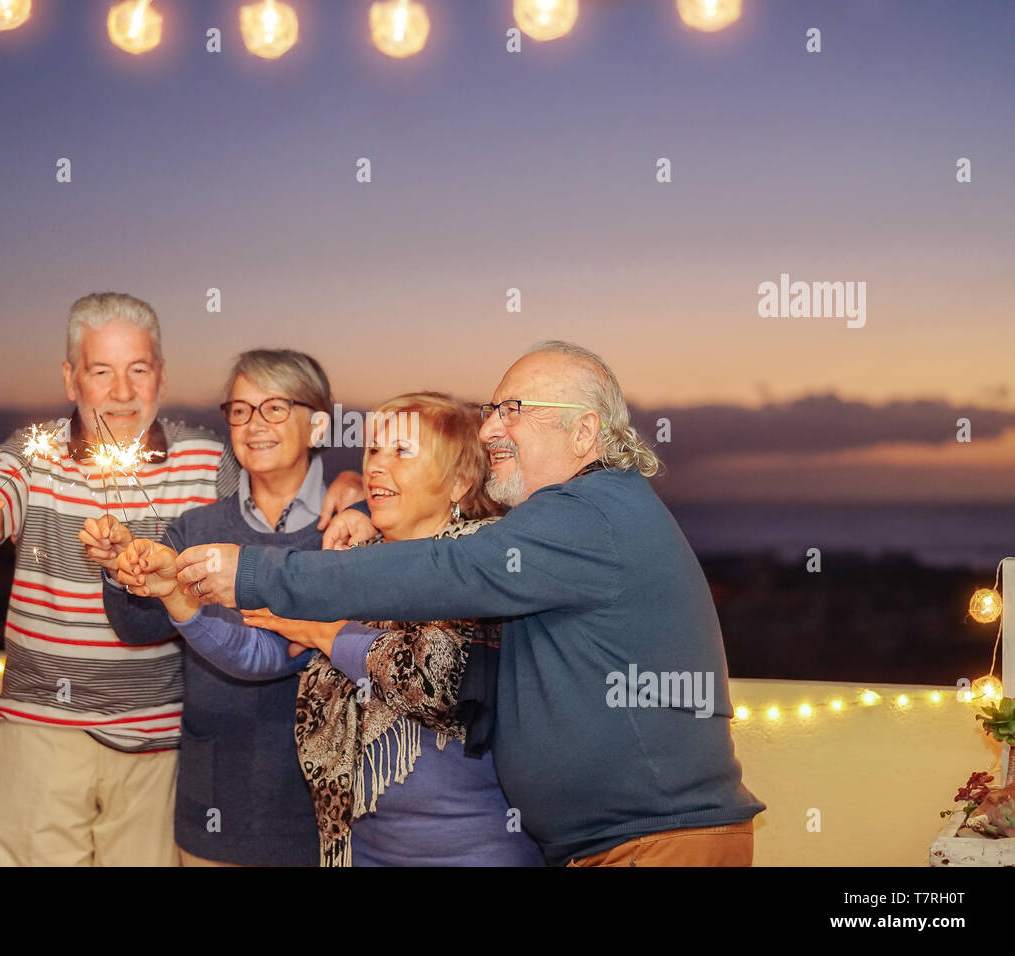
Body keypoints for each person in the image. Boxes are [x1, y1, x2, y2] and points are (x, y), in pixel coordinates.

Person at [173, 341, 766, 867]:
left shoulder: (585, 514)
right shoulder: (570, 520)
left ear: (585, 432)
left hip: (654, 843)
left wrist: (253, 571)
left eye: (514, 411)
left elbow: (446, 569)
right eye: (491, 411)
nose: (488, 431)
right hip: (621, 843)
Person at [0, 293, 364, 866]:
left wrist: (352, 485)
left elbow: (283, 474)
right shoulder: (31, 458)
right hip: (43, 734)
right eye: (101, 371)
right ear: (71, 379)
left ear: (160, 375)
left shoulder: (210, 461)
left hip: (159, 746)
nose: (122, 392)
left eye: (138, 370)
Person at [120, 393, 544, 866]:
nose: (377, 467)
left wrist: (325, 631)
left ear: (460, 482)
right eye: (373, 451)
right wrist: (174, 594)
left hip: (474, 851)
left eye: (402, 451)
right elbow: (257, 649)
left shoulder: (484, 567)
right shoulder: (346, 565)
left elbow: (433, 680)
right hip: (356, 851)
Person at [93, 349, 333, 866]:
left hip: (322, 815)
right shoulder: (194, 527)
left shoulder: (347, 528)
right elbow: (137, 629)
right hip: (215, 808)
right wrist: (121, 571)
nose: (253, 424)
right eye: (240, 410)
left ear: (318, 426)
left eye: (275, 408)